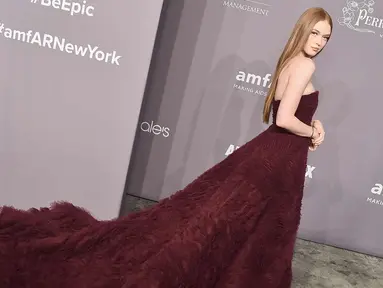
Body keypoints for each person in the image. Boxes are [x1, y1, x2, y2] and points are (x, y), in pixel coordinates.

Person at [0, 7, 332, 288]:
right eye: (315, 33)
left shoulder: (289, 62)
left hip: (272, 154)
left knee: (235, 223)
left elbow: (282, 115)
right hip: (280, 156)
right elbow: (286, 118)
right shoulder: (305, 66)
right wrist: (313, 130)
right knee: (260, 226)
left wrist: (308, 129)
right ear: (302, 31)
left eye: (325, 37)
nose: (318, 42)